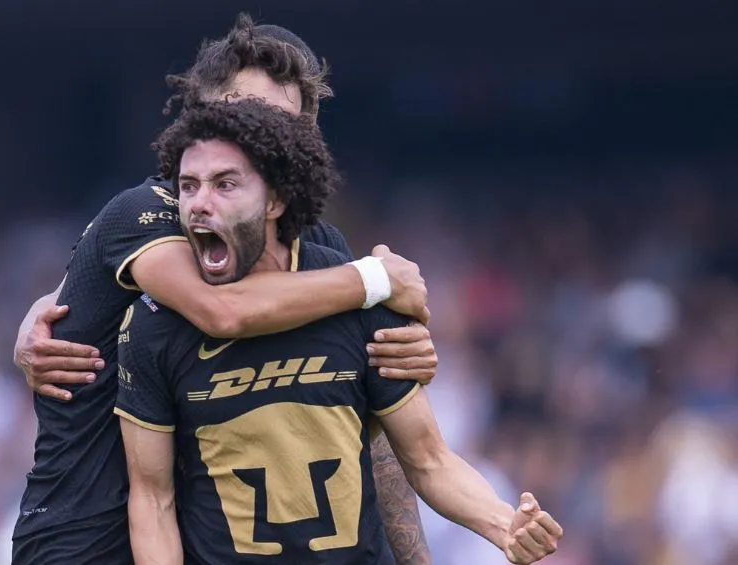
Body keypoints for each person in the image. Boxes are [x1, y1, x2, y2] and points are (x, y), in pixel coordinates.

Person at [11, 15, 437, 565]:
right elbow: (222, 311)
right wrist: (378, 281)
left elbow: (370, 432)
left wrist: (402, 343)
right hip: (81, 538)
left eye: (276, 122)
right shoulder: (146, 213)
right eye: (237, 115)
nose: (255, 136)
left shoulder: (320, 250)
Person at [117, 99, 564, 565]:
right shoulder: (155, 324)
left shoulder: (358, 300)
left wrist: (502, 524)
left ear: (275, 199)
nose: (200, 204)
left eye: (225, 184)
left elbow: (430, 461)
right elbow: (152, 500)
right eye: (188, 187)